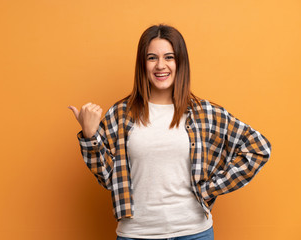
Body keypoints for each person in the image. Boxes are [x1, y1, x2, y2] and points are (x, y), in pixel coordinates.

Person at [68, 24, 271, 240]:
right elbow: (109, 178)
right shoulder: (120, 114)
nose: (160, 65)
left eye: (169, 57)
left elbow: (258, 148)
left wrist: (209, 189)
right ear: (142, 64)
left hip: (194, 233)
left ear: (180, 62)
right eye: (152, 58)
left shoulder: (204, 113)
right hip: (136, 234)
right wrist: (91, 137)